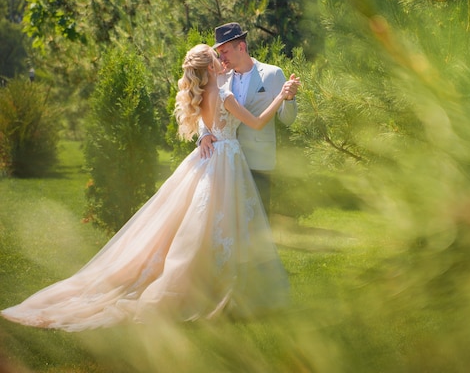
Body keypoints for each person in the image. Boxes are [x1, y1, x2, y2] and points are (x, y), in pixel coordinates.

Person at [1, 44, 300, 332]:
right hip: (227, 160)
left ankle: (213, 286)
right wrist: (282, 95)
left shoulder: (205, 93)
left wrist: (206, 131)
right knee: (223, 226)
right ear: (210, 67)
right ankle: (221, 289)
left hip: (211, 159)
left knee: (209, 226)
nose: (221, 58)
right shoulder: (224, 95)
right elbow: (258, 123)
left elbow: (210, 116)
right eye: (215, 56)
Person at [198, 22, 298, 216]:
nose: (221, 58)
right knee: (228, 222)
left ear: (241, 47)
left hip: (258, 162)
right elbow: (207, 108)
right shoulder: (220, 77)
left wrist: (290, 98)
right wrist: (203, 134)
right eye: (219, 53)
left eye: (224, 52)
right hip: (224, 162)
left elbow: (287, 120)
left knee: (258, 223)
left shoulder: (272, 74)